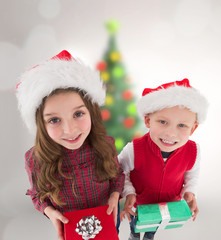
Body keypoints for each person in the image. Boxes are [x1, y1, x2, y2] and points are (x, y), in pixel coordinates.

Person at [16, 50, 125, 240]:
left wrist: (115, 195)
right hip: (72, 228)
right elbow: (37, 195)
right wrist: (49, 211)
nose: (69, 129)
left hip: (108, 218)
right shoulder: (36, 159)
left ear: (91, 112)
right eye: (55, 120)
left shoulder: (105, 144)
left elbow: (116, 175)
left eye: (78, 114)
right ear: (41, 124)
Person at [118, 78, 208, 240]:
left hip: (166, 206)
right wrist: (129, 192)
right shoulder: (134, 149)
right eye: (163, 122)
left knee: (154, 225)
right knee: (137, 225)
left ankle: (150, 236)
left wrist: (190, 191)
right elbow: (120, 172)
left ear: (193, 128)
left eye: (182, 125)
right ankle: (134, 234)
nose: (170, 134)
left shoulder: (193, 151)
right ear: (148, 120)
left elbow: (192, 173)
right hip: (140, 204)